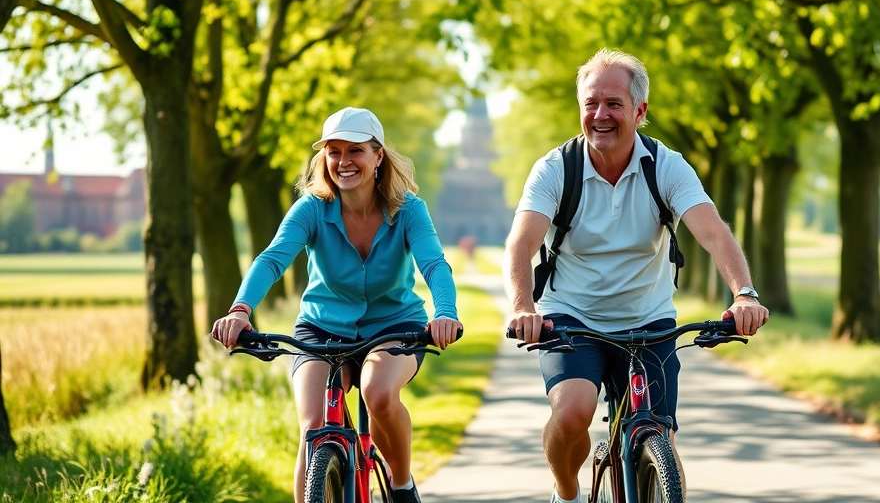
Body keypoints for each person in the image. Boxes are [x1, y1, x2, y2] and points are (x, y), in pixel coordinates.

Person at [504, 49, 770, 503]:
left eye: (613, 103)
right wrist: (523, 306)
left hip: (648, 321)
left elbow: (713, 231)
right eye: (591, 103)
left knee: (658, 432)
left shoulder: (665, 166)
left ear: (640, 111)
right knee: (572, 414)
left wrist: (743, 294)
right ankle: (566, 492)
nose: (600, 115)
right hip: (572, 319)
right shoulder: (555, 169)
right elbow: (522, 242)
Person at [211, 107, 461, 503]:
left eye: (355, 151)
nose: (343, 162)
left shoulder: (408, 209)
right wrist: (241, 309)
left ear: (378, 155)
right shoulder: (312, 208)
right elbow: (273, 258)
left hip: (393, 327)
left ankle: (400, 484)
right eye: (333, 151)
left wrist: (445, 311)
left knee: (378, 394)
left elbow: (433, 264)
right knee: (313, 425)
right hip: (321, 329)